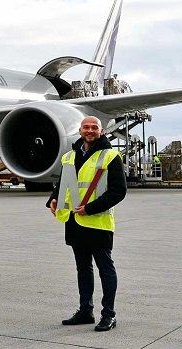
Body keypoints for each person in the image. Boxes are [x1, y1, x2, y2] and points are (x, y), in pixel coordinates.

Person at [47, 116, 126, 332]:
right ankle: (85, 311)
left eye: (94, 128)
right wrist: (54, 198)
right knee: (83, 269)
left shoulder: (110, 156)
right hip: (74, 222)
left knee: (105, 270)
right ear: (80, 130)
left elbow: (119, 191)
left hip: (98, 223)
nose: (89, 131)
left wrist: (90, 208)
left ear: (101, 131)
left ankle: (109, 314)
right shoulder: (70, 156)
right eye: (86, 127)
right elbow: (64, 183)